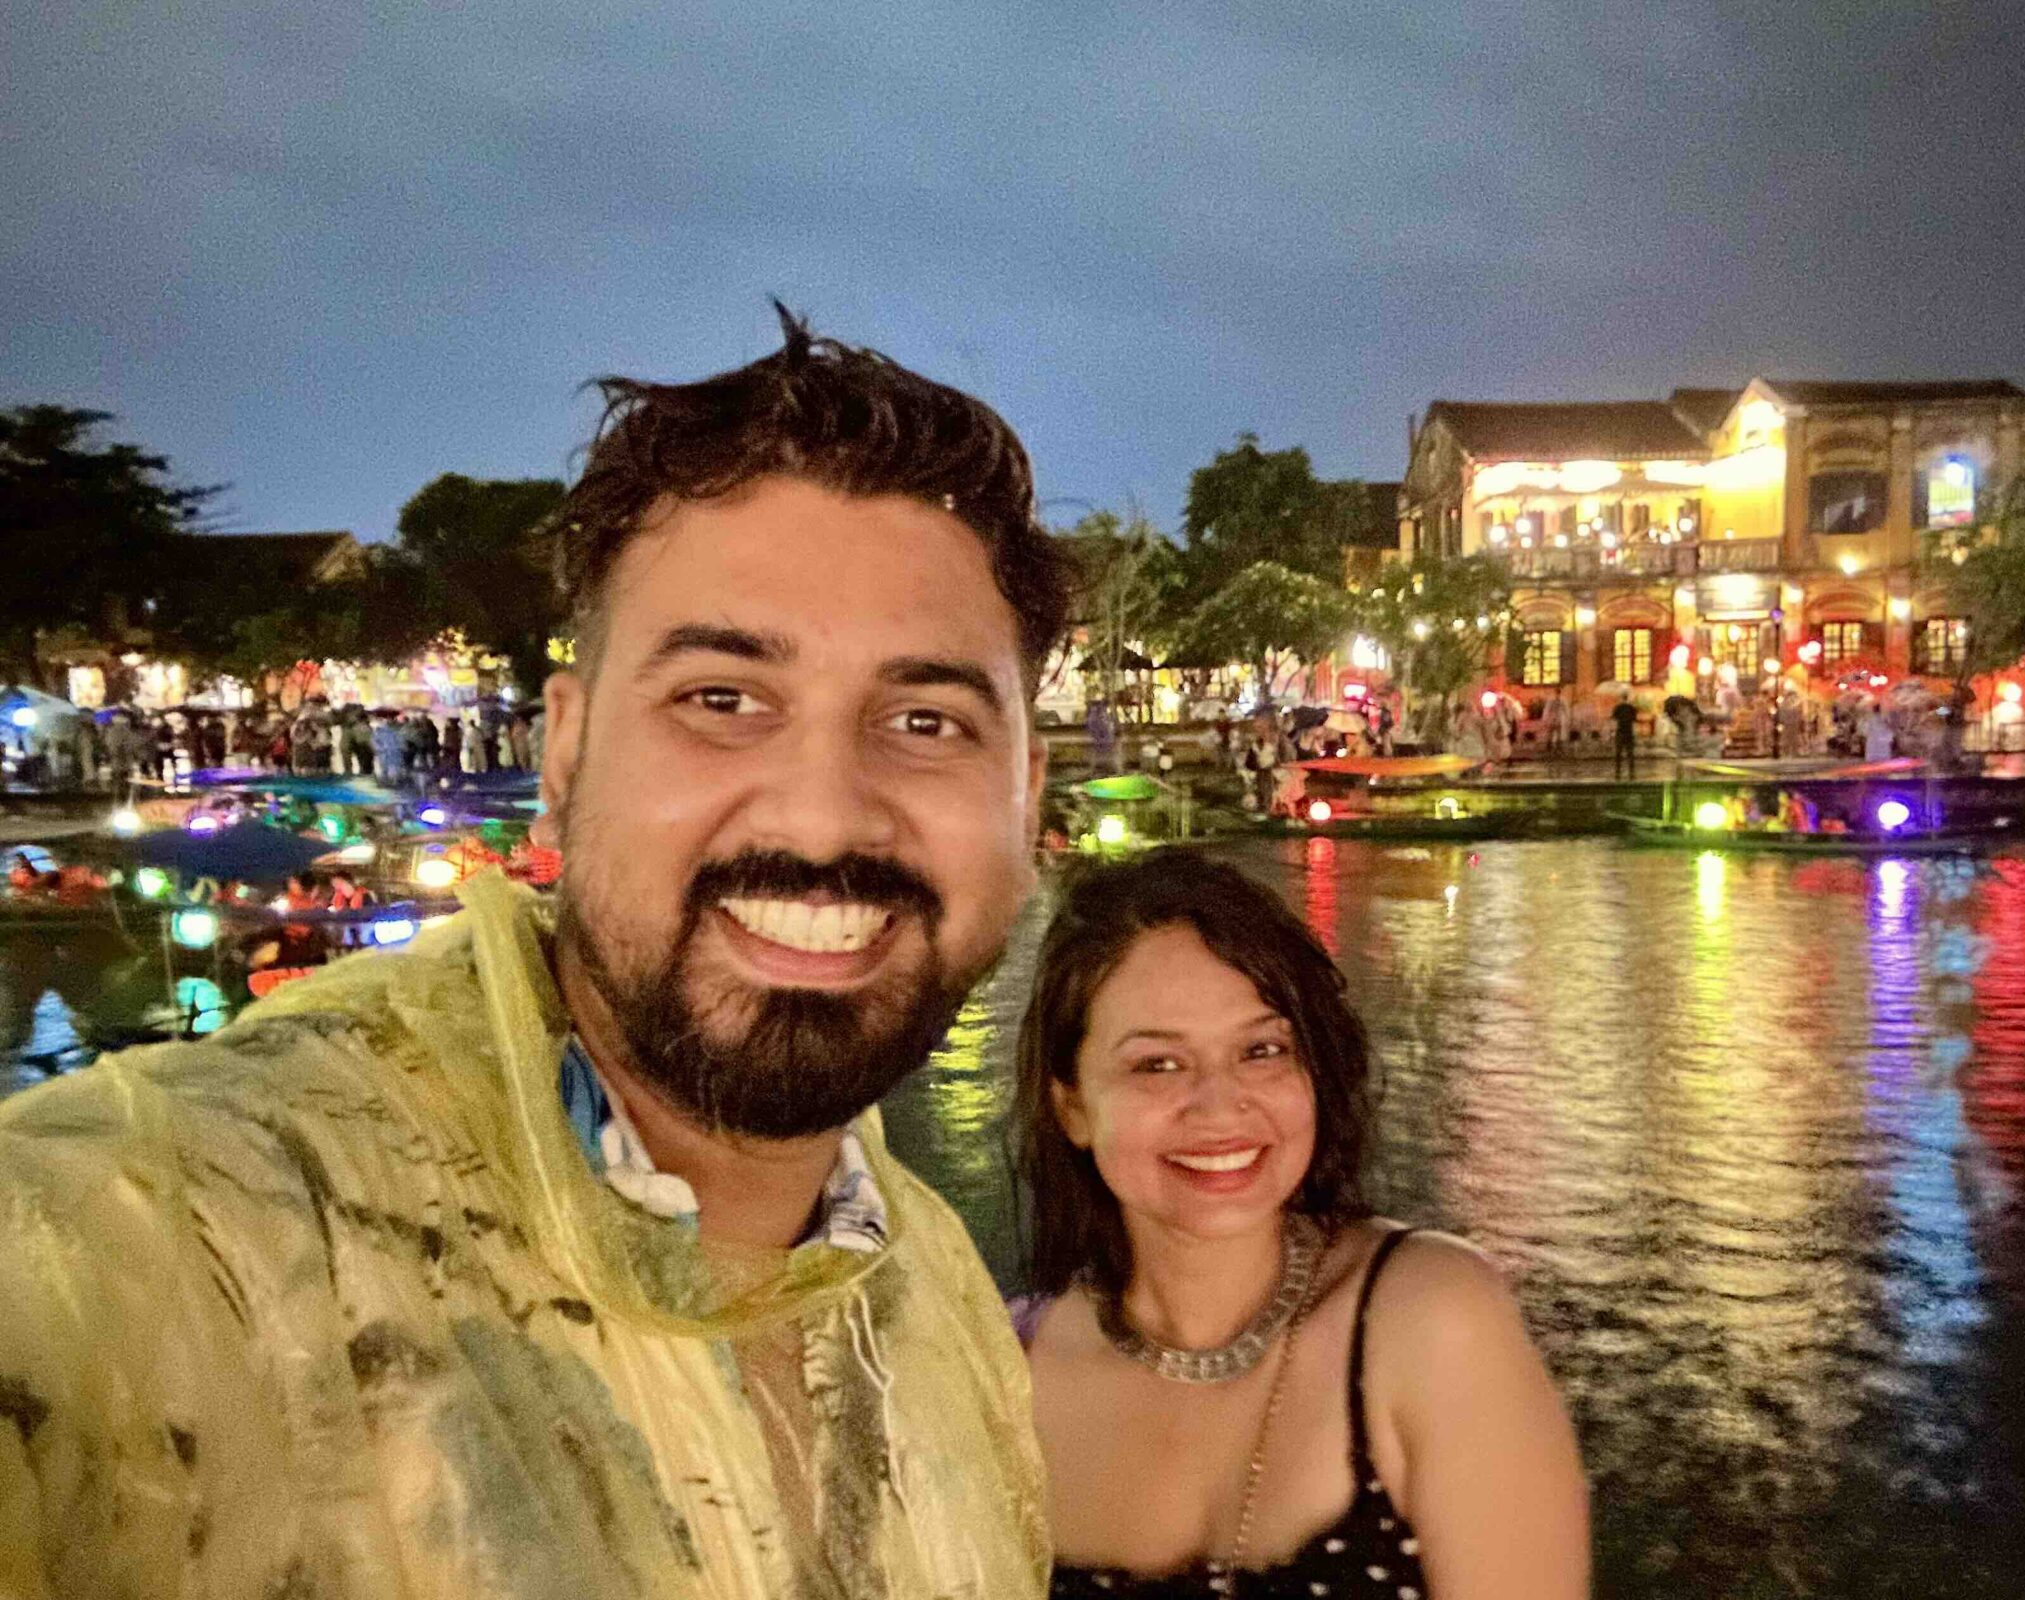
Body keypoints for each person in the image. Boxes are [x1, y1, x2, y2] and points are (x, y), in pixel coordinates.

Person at [0, 310, 1073, 1597]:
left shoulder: (942, 1290)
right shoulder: (181, 1236)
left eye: (924, 718)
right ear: (562, 758)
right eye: (722, 700)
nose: (822, 814)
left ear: (1025, 798)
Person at [1014, 853, 1588, 1600]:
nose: (1220, 1108)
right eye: (1157, 1065)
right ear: (1073, 1108)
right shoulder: (1005, 1377)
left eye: (1263, 1050)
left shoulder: (1429, 1321)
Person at [1609, 696, 1639, 778]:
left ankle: (1618, 771)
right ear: (1628, 699)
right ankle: (1631, 772)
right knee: (1630, 753)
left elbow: (1613, 718)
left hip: (1620, 732)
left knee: (1618, 753)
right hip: (1629, 732)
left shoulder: (1618, 707)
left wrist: (1612, 732)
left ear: (1621, 699)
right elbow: (1635, 720)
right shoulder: (1632, 708)